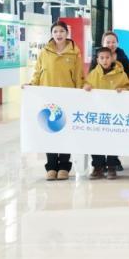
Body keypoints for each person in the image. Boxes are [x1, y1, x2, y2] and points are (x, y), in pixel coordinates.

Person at [27, 20, 84, 181]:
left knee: (65, 132)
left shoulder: (74, 53)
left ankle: (64, 166)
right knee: (49, 132)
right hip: (48, 99)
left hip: (67, 98)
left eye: (62, 31)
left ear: (67, 33)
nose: (59, 34)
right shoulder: (44, 52)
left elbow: (78, 75)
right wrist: (31, 85)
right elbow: (37, 72)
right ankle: (51, 166)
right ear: (51, 34)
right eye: (55, 31)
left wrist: (80, 94)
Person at [84, 47, 129, 180]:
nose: (105, 60)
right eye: (102, 58)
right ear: (97, 60)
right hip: (98, 114)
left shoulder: (121, 74)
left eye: (107, 57)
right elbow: (85, 87)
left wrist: (123, 90)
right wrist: (86, 87)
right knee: (96, 140)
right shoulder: (93, 74)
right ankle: (98, 167)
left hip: (114, 114)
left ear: (112, 58)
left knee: (113, 139)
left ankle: (112, 166)